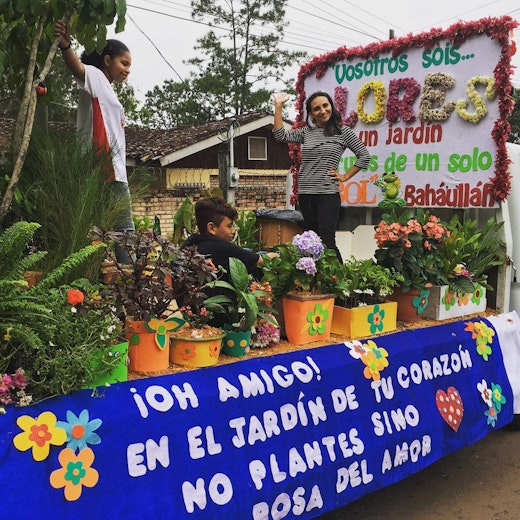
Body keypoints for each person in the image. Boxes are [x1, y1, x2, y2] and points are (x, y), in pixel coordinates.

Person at [54, 20, 135, 263]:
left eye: (130, 65)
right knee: (124, 232)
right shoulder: (97, 77)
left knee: (98, 232)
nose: (128, 70)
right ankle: (130, 282)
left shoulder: (106, 88)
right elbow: (78, 69)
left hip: (109, 168)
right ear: (107, 60)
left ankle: (106, 280)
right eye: (124, 63)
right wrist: (66, 47)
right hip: (106, 168)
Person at [272, 90, 371, 261]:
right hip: (306, 194)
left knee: (327, 241)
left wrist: (345, 176)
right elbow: (280, 135)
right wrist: (278, 106)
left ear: (331, 106)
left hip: (327, 195)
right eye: (317, 108)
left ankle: (340, 282)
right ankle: (318, 282)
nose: (323, 111)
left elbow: (364, 156)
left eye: (325, 106)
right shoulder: (306, 132)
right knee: (313, 241)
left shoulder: (343, 132)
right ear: (311, 113)